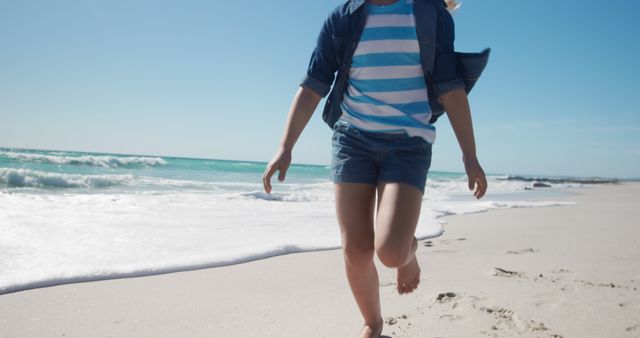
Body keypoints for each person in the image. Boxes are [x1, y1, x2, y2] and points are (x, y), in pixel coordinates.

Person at [263, 0, 487, 337]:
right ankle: (373, 322)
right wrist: (285, 146)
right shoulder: (344, 17)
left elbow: (451, 89)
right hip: (353, 140)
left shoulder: (429, 14)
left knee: (391, 251)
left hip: (409, 144)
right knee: (356, 248)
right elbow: (312, 85)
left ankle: (408, 255)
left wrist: (469, 156)